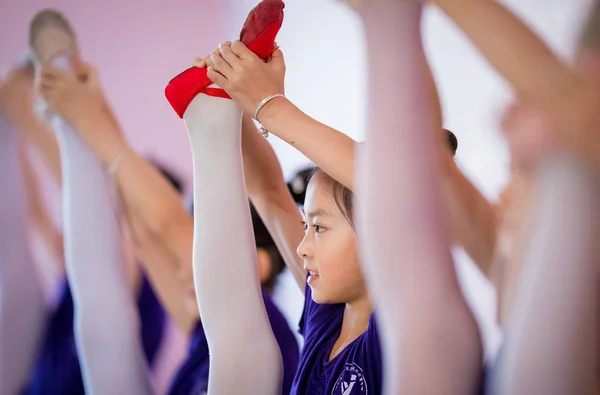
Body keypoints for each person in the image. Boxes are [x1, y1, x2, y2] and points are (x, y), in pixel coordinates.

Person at [37, 6, 299, 394]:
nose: (183, 267)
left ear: (258, 263)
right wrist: (91, 111)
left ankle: (73, 130)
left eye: (195, 247)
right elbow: (147, 233)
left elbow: (164, 222)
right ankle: (72, 129)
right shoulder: (205, 330)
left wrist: (89, 120)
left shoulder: (268, 326)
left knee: (105, 327)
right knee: (103, 324)